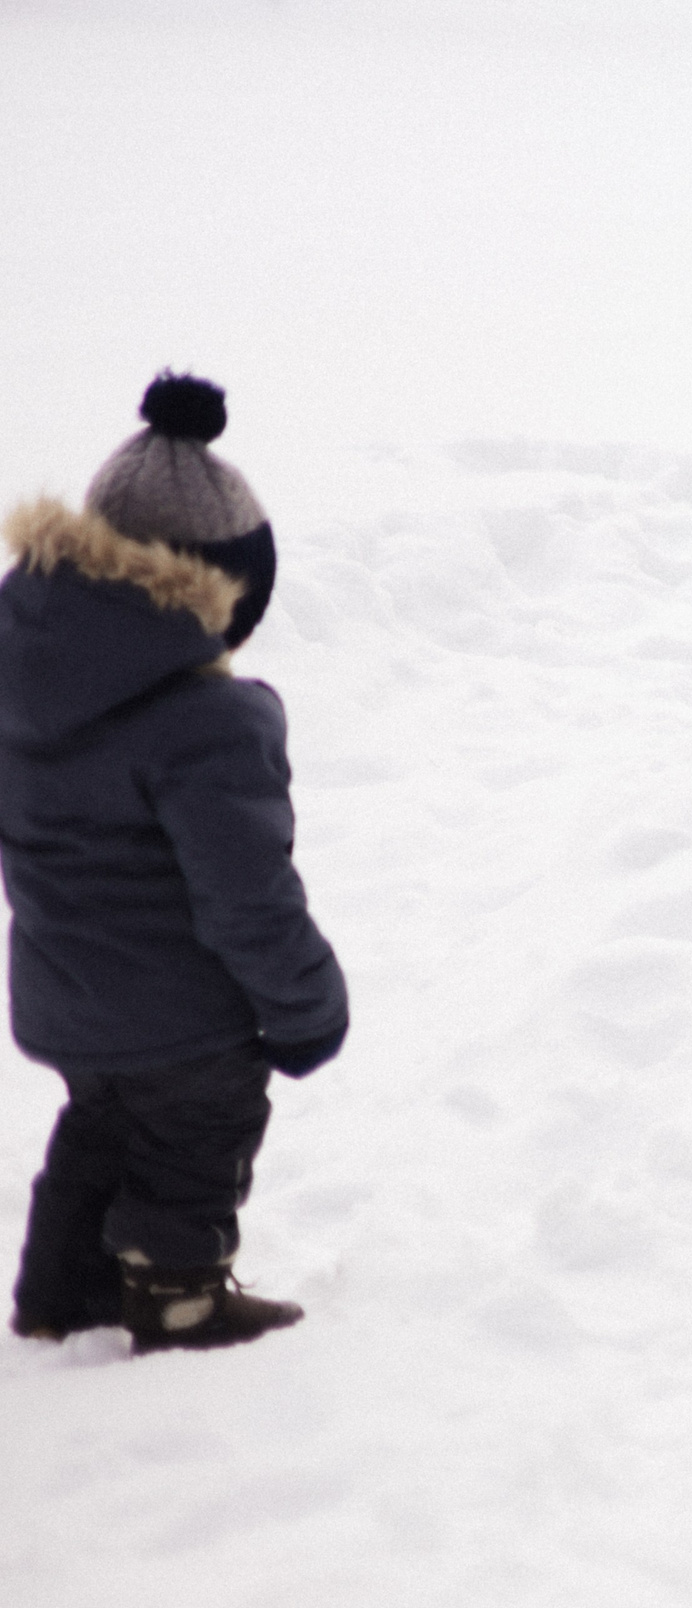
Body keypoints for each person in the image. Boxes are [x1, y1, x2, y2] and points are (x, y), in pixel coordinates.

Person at [1, 373, 347, 1353]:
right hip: (184, 1019)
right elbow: (248, 900)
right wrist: (307, 1002)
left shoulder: (30, 672)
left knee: (102, 1125)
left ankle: (63, 1289)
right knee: (196, 1138)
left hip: (66, 996)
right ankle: (177, 1292)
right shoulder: (209, 724)